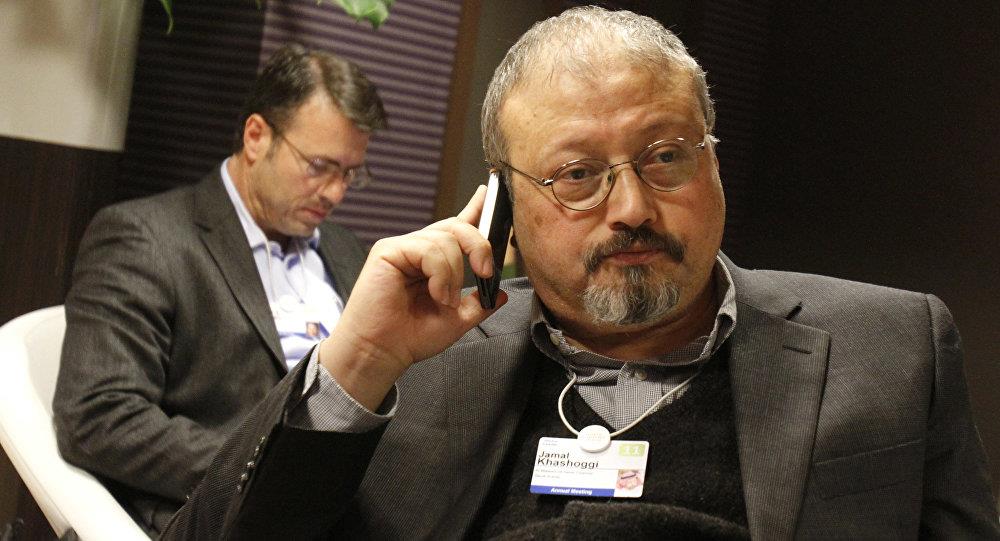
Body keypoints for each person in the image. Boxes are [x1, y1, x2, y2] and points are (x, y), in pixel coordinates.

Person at [162, 8, 999, 540]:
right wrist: (357, 364)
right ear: (502, 205)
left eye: (665, 156)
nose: (630, 206)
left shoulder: (892, 345)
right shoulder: (416, 366)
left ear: (713, 164)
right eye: (576, 175)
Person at [53, 44, 386, 535]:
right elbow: (98, 417)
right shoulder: (147, 238)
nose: (335, 193)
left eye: (350, 174)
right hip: (226, 516)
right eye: (319, 166)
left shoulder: (344, 249)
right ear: (256, 136)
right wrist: (272, 472)